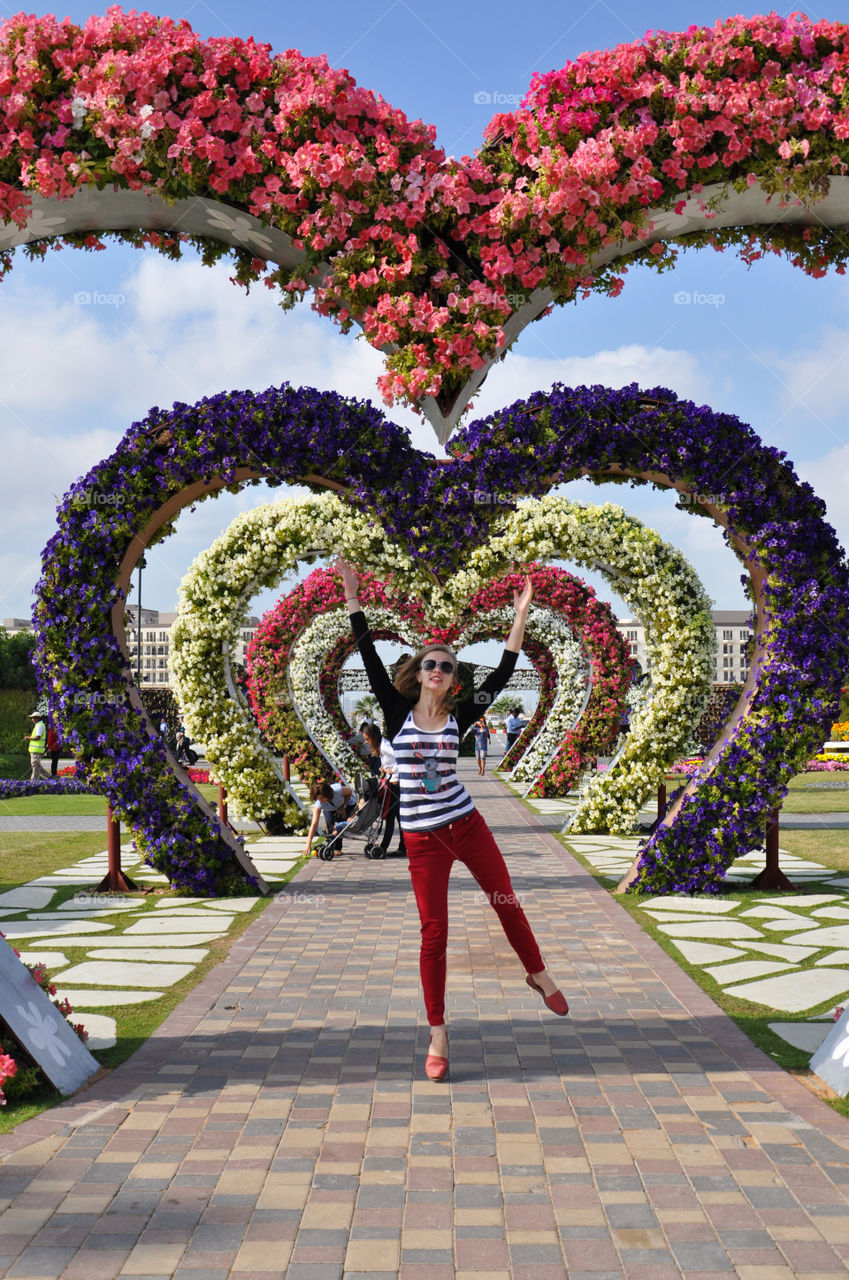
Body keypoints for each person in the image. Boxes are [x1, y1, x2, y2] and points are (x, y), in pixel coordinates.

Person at [336, 556, 568, 1082]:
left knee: (505, 900)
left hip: (466, 824)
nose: (438, 670)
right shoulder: (396, 715)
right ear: (417, 675)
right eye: (429, 665)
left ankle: (538, 974)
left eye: (446, 666)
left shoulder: (462, 716)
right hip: (422, 840)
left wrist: (521, 615)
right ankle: (438, 1032)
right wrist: (353, 597)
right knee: (433, 933)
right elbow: (369, 654)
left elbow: (506, 669)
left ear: (453, 678)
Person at [301, 779, 355, 857]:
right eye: (318, 798)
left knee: (339, 825)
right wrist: (308, 843)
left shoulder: (338, 790)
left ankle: (337, 848)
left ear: (328, 794)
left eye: (322, 798)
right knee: (330, 825)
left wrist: (343, 806)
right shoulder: (319, 803)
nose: (320, 800)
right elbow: (314, 824)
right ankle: (330, 847)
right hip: (329, 808)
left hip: (346, 804)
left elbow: (349, 792)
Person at [376, 733, 407, 859]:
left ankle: (384, 847)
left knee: (390, 816)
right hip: (392, 783)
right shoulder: (381, 746)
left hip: (396, 784)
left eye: (367, 739)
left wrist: (393, 770)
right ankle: (403, 846)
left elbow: (401, 757)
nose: (366, 742)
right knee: (399, 817)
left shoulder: (385, 746)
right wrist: (385, 768)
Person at [24, 711, 47, 780]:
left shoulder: (39, 726)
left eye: (33, 718)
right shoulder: (39, 725)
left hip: (36, 751)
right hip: (36, 750)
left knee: (35, 768)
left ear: (37, 718)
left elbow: (37, 737)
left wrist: (28, 738)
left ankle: (34, 783)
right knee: (38, 767)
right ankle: (50, 778)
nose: (32, 720)